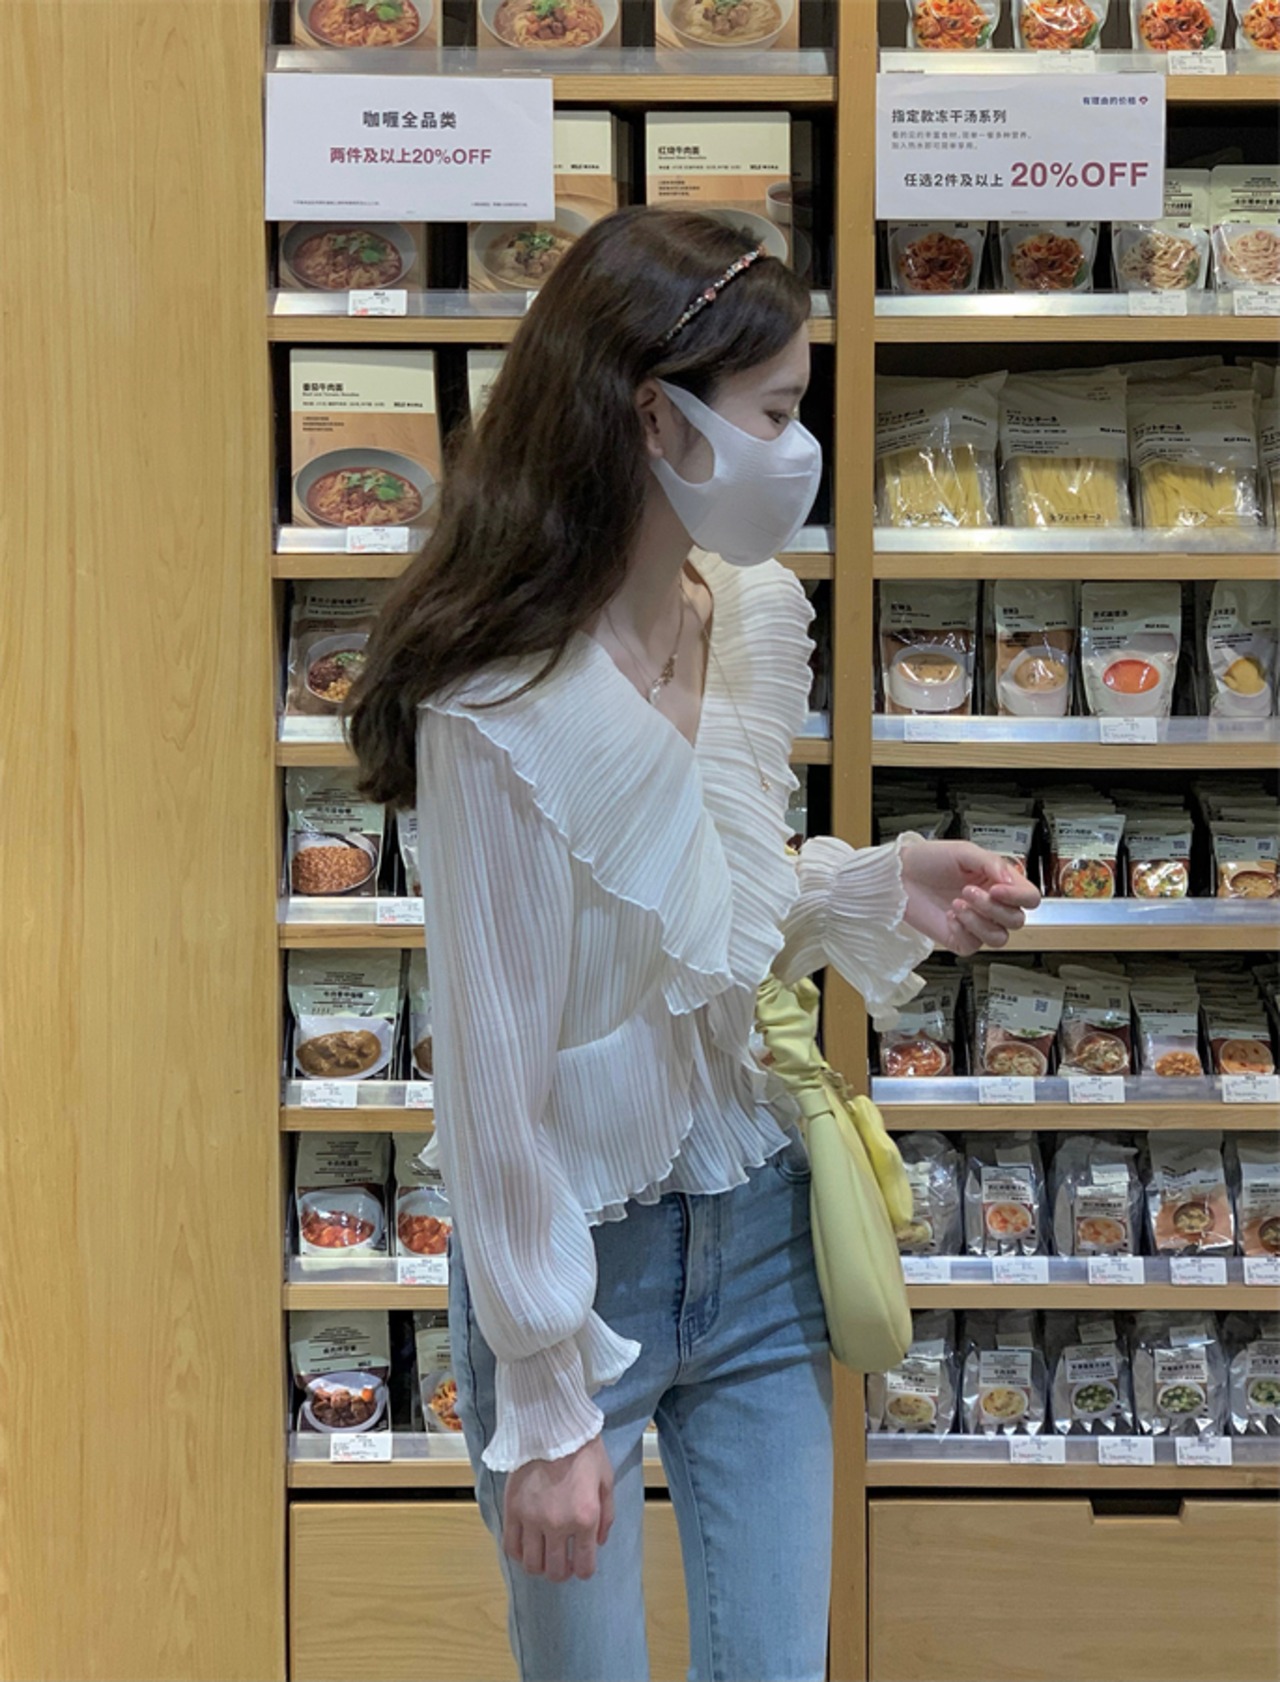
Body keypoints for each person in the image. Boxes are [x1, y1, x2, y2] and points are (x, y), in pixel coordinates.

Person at [349, 205, 1039, 1682]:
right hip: (572, 1271)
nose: (801, 449)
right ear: (656, 419)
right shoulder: (498, 701)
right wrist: (545, 1400)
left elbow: (709, 907)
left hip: (759, 1225)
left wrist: (877, 884)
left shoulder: (747, 612)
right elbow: (494, 1068)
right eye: (776, 414)